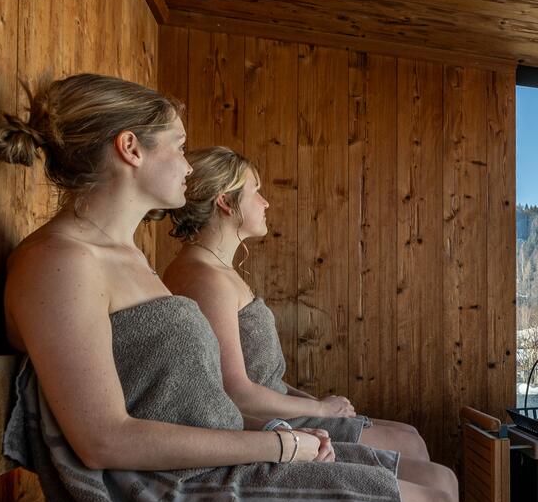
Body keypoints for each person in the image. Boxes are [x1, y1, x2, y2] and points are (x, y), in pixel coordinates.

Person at [0, 73, 506, 502]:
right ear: (131, 148)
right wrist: (278, 448)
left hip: (216, 471)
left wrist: (285, 439)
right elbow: (103, 440)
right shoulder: (59, 262)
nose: (189, 167)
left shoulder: (124, 257)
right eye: (181, 147)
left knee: (439, 492)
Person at [161, 146, 429, 460]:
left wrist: (324, 407)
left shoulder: (215, 270)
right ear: (224, 201)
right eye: (256, 191)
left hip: (276, 409)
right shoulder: (204, 279)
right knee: (410, 445)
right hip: (257, 425)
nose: (266, 202)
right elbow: (237, 392)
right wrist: (320, 408)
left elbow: (266, 380)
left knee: (410, 437)